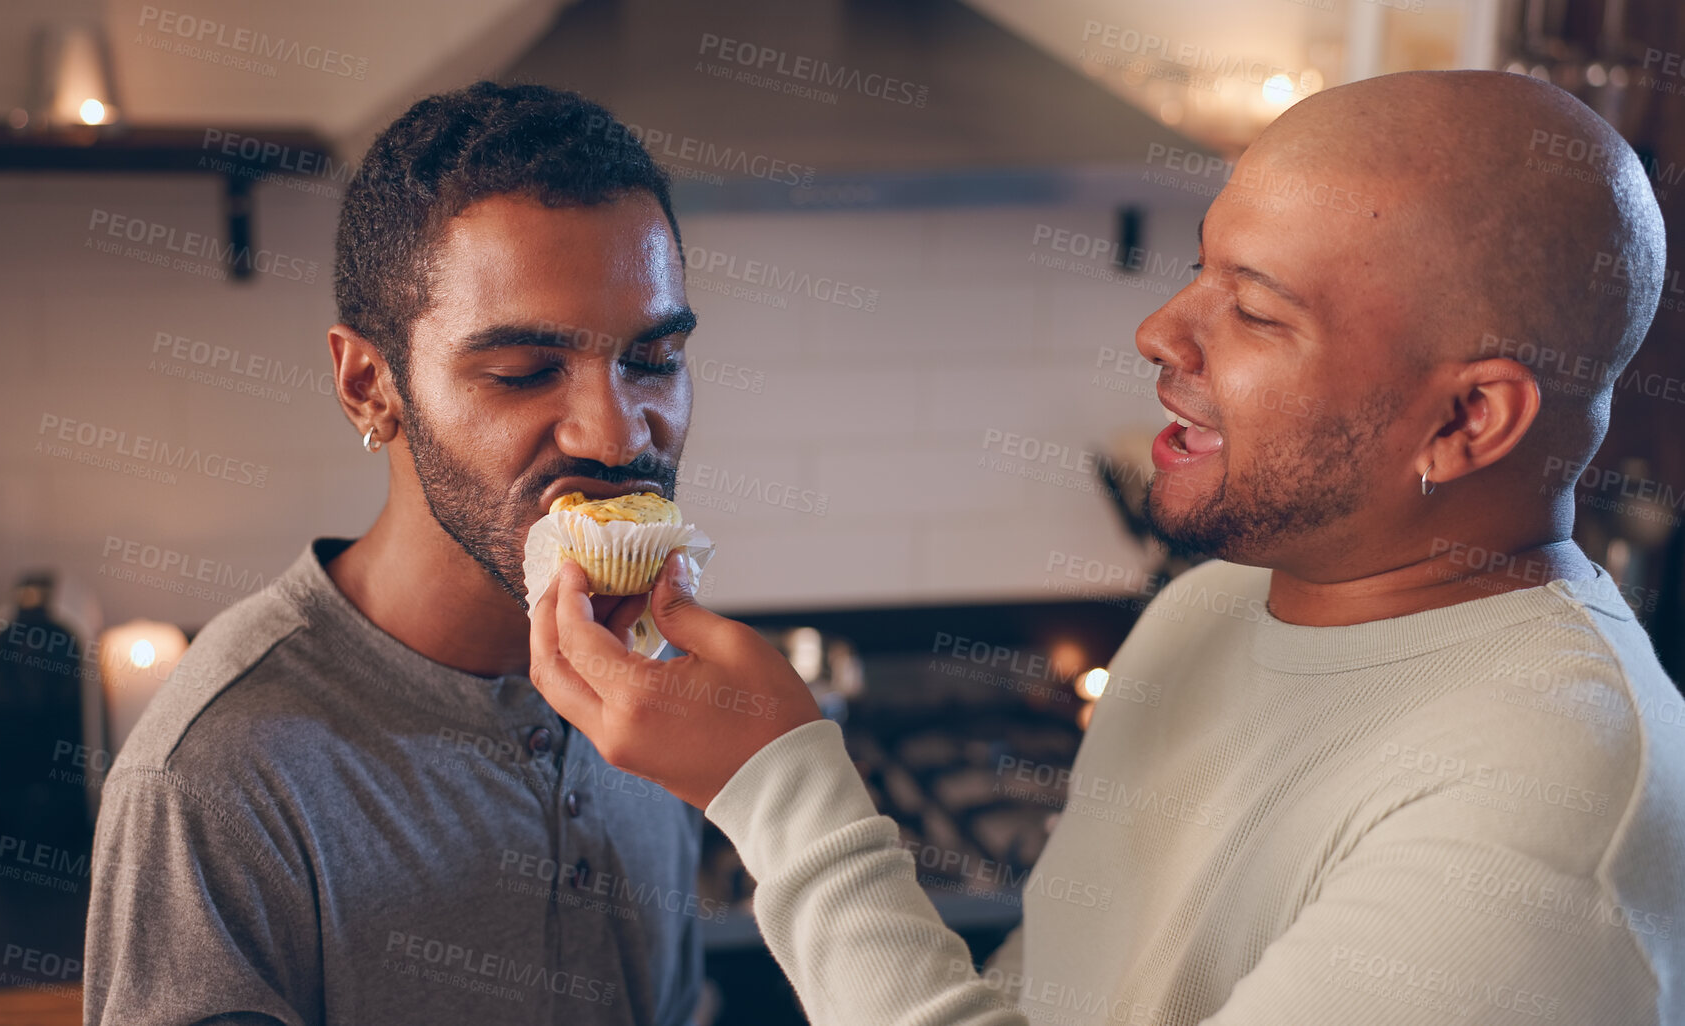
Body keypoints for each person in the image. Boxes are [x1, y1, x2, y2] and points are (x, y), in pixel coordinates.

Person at [530, 70, 1685, 1024]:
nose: (1158, 330)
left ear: (1467, 419)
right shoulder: (1207, 612)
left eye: (1256, 310)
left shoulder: (1548, 824)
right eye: (1198, 267)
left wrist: (780, 790)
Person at [86, 82, 708, 1025]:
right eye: (524, 373)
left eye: (653, 361)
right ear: (370, 385)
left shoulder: (658, 684)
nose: (617, 434)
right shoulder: (214, 782)